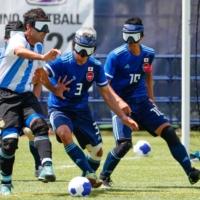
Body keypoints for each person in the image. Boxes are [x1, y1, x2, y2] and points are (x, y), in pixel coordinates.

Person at [100, 16, 200, 188]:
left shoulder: (149, 54)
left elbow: (148, 75)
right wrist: (119, 101)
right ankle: (104, 176)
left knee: (169, 132)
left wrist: (151, 99)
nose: (130, 41)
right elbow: (105, 85)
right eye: (127, 37)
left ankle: (190, 172)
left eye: (134, 37)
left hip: (143, 103)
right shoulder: (115, 56)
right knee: (124, 145)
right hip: (122, 106)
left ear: (142, 36)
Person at [43, 27, 139, 188]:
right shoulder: (62, 61)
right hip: (60, 108)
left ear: (93, 49)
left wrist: (123, 118)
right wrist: (54, 89)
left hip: (81, 111)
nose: (83, 55)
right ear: (74, 45)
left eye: (88, 51)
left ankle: (84, 181)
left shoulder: (95, 66)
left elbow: (107, 94)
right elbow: (41, 73)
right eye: (80, 49)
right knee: (65, 134)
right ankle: (89, 172)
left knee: (97, 152)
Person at [0, 8, 70, 195]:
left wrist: (54, 89)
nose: (45, 31)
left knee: (39, 125)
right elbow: (19, 51)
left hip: (26, 96)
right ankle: (5, 183)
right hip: (5, 97)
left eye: (47, 27)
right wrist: (43, 57)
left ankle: (45, 167)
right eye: (41, 27)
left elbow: (39, 74)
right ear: (29, 27)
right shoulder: (18, 39)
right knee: (9, 142)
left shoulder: (38, 46)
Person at [0, 20, 43, 178]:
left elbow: (38, 80)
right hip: (4, 104)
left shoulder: (31, 55)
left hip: (24, 101)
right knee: (8, 141)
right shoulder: (4, 57)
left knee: (35, 129)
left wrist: (30, 108)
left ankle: (40, 166)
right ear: (7, 39)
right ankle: (5, 178)